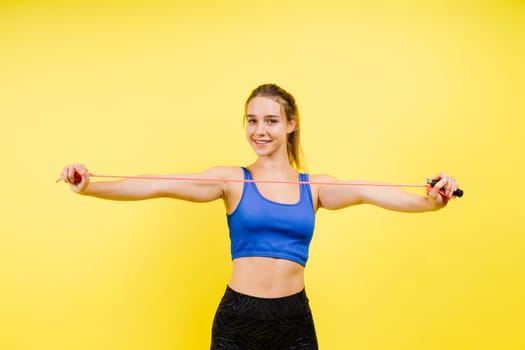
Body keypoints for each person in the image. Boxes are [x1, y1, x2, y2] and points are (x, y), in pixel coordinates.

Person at [60, 83, 458, 349]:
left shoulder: (313, 187)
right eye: (252, 120)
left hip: (294, 318)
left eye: (270, 120)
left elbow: (373, 193)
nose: (259, 130)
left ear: (290, 124)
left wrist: (432, 200)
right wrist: (89, 184)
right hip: (239, 318)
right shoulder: (234, 181)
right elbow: (154, 184)